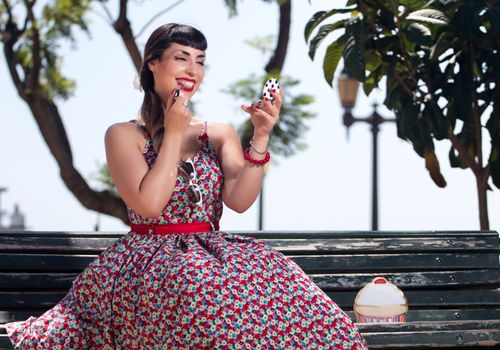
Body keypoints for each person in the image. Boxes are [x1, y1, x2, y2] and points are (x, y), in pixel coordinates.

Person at [4, 23, 367, 349]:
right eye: (181, 58)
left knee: (301, 302)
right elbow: (149, 205)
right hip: (148, 261)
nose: (192, 70)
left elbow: (240, 201)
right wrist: (174, 132)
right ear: (153, 64)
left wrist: (261, 135)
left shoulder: (218, 133)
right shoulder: (123, 135)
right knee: (198, 296)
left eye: (200, 61)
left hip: (213, 256)